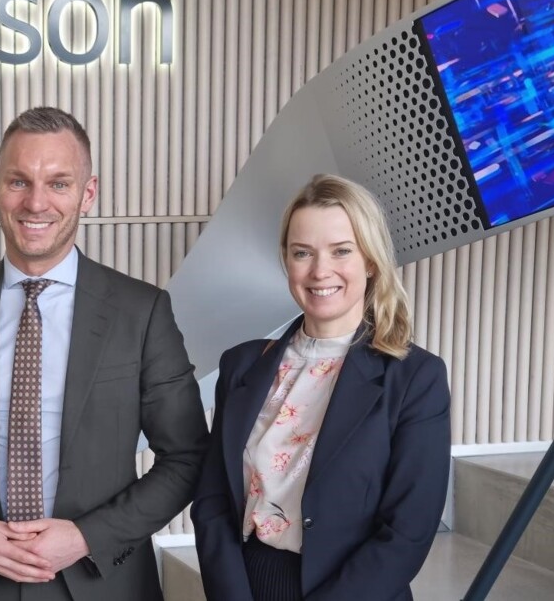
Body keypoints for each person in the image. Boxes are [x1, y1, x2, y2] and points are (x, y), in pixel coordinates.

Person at [0, 106, 209, 600]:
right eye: (19, 182)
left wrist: (86, 537)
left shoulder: (141, 311)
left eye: (59, 183)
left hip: (105, 581)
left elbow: (186, 457)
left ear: (88, 192)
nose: (36, 203)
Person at [191, 174, 451, 601]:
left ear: (370, 260)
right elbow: (213, 500)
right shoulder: (241, 365)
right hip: (249, 586)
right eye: (302, 253)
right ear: (286, 260)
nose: (319, 271)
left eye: (341, 251)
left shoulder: (415, 378)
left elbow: (408, 530)